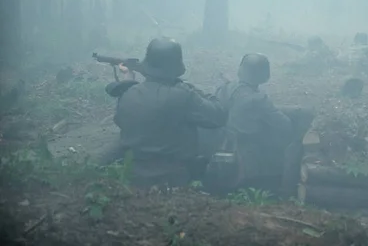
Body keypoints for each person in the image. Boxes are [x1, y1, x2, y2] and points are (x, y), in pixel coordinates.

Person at [103, 37, 228, 188]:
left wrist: (129, 79)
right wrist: (190, 88)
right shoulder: (184, 95)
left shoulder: (128, 93)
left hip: (133, 178)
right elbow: (218, 116)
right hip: (174, 179)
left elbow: (120, 120)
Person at [207, 53, 314, 194]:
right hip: (244, 150)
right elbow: (284, 125)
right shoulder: (258, 99)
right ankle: (285, 191)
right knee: (289, 145)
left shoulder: (224, 89)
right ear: (264, 75)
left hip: (220, 142)